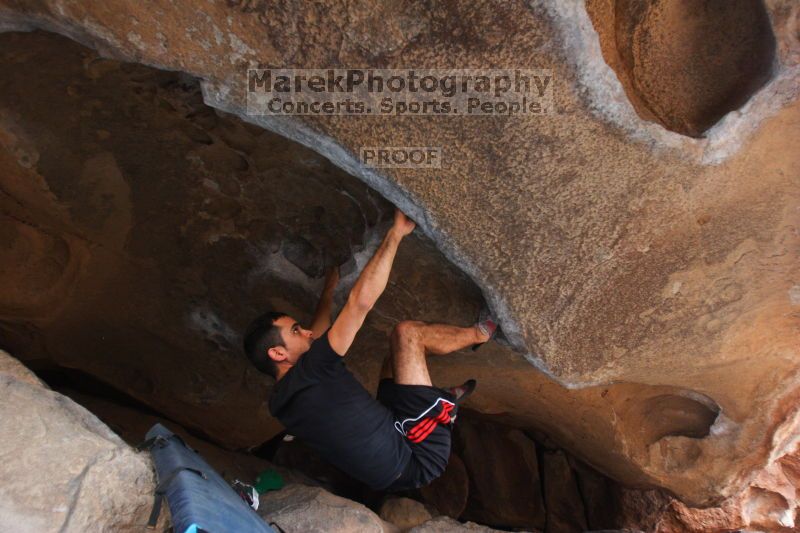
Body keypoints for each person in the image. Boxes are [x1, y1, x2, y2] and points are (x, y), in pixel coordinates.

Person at [243, 209, 498, 491]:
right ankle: (480, 333)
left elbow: (317, 333)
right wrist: (396, 234)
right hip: (418, 453)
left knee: (395, 361)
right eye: (295, 331)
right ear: (278, 354)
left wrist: (329, 289)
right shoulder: (312, 370)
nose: (305, 331)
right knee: (407, 335)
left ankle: (438, 398)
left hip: (390, 467)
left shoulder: (282, 400)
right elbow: (359, 304)